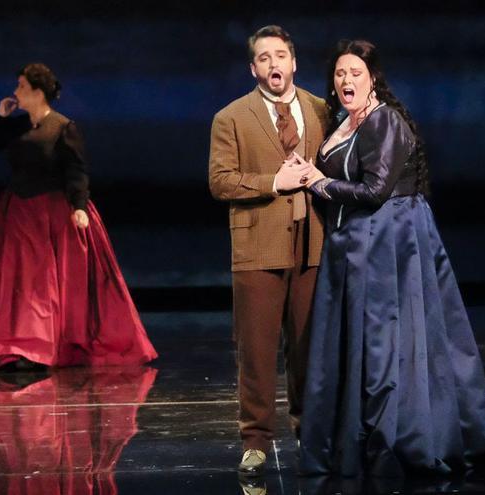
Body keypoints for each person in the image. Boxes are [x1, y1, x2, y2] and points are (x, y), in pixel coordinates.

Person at [297, 40, 485, 477]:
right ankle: (353, 436)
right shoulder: (344, 123)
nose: (346, 80)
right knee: (359, 343)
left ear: (373, 77)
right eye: (340, 74)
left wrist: (318, 184)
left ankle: (399, 436)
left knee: (388, 340)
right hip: (354, 245)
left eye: (355, 72)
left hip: (388, 243)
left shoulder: (383, 121)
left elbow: (375, 192)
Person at [0, 63, 157, 371]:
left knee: (47, 281)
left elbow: (76, 171)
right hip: (20, 212)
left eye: (20, 86)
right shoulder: (15, 126)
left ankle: (45, 345)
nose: (15, 91)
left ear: (37, 92)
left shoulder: (61, 127)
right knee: (21, 281)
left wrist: (80, 207)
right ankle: (20, 345)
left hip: (52, 212)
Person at [208, 26, 327, 476]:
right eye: (264, 58)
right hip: (258, 244)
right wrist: (272, 183)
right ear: (253, 68)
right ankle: (255, 439)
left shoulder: (320, 108)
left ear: (294, 62)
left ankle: (311, 431)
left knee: (308, 346)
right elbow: (220, 181)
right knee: (256, 350)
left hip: (312, 244)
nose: (274, 64)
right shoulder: (232, 117)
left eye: (280, 56)